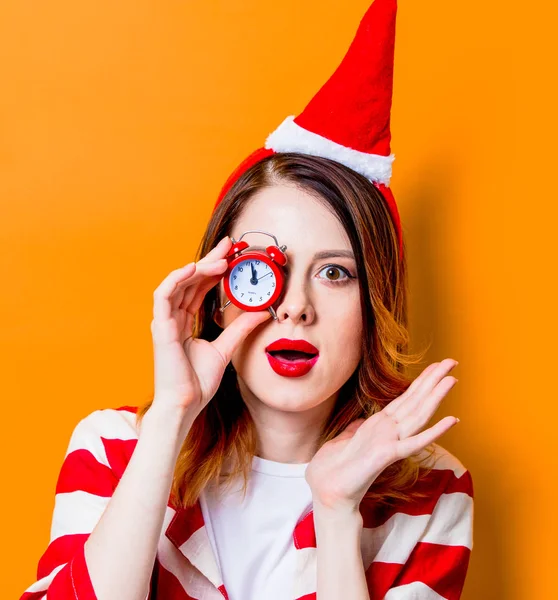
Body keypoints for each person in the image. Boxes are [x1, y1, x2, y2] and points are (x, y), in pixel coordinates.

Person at [19, 2, 474, 600]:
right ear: (216, 296)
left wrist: (337, 512)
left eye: (336, 273)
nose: (294, 309)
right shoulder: (113, 448)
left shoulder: (432, 489)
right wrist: (170, 420)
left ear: (375, 305)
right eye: (264, 272)